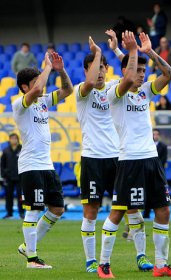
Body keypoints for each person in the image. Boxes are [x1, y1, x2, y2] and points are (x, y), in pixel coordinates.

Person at [98, 31, 171, 278]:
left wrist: (149, 52)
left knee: (163, 210)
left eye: (143, 71)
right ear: (127, 70)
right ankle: (103, 265)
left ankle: (161, 265)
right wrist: (132, 51)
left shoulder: (145, 91)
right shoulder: (115, 90)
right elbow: (126, 80)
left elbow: (169, 75)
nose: (141, 75)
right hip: (129, 161)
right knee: (118, 212)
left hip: (151, 159)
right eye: (138, 70)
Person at [76, 36, 151, 273]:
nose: (99, 73)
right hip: (92, 159)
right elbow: (90, 82)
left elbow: (130, 72)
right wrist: (98, 53)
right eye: (95, 69)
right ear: (87, 70)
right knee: (91, 211)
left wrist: (119, 50)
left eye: (102, 69)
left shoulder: (113, 89)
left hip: (118, 158)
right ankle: (91, 260)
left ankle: (141, 256)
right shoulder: (82, 92)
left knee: (132, 208)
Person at [13, 52, 73, 268]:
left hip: (46, 165)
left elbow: (68, 90)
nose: (39, 84)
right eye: (34, 81)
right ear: (24, 88)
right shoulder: (20, 104)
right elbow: (39, 88)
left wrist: (60, 69)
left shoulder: (44, 101)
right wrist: (46, 68)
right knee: (34, 209)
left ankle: (27, 246)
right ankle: (32, 259)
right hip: (31, 166)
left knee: (57, 209)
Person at [144, 129, 168, 219]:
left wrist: (155, 168)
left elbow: (163, 160)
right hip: (147, 173)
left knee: (158, 193)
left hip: (158, 173)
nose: (155, 136)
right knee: (147, 193)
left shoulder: (163, 146)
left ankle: (159, 214)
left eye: (157, 134)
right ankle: (146, 213)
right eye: (153, 134)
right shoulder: (147, 146)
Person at [1, 133, 23, 219]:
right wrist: (4, 175)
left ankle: (22, 213)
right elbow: (2, 165)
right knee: (8, 196)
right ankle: (9, 213)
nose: (14, 140)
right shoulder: (6, 151)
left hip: (20, 177)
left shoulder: (22, 149)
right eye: (12, 138)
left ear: (18, 139)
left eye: (15, 138)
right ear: (9, 140)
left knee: (21, 196)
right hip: (8, 178)